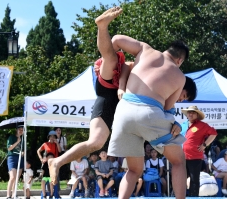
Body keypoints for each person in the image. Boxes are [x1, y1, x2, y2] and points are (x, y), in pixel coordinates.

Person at [47, 7, 186, 186]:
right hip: (111, 91)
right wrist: (120, 85)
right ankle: (102, 27)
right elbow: (125, 64)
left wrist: (173, 123)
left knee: (96, 142)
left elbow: (162, 111)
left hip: (125, 106)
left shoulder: (148, 63)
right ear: (179, 61)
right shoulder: (145, 59)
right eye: (183, 96)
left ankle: (57, 161)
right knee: (111, 59)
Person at [101, 7, 197, 199]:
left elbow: (117, 39)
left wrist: (115, 58)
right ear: (179, 60)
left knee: (134, 170)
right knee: (178, 161)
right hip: (150, 112)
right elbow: (167, 108)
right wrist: (175, 124)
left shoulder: (145, 50)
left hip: (123, 111)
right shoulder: (179, 77)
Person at [180, 105, 217, 196]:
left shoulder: (202, 125)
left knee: (194, 180)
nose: (190, 114)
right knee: (180, 179)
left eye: (193, 112)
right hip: (181, 156)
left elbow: (213, 133)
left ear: (197, 115)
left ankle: (194, 197)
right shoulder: (183, 124)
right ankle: (179, 196)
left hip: (195, 157)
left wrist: (204, 145)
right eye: (189, 112)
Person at [6, 125, 24, 199]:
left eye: (22, 130)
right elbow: (9, 148)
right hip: (12, 157)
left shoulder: (23, 139)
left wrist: (23, 153)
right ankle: (8, 195)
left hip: (20, 158)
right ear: (16, 130)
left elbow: (24, 150)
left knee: (17, 178)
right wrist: (17, 141)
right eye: (19, 129)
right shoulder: (11, 137)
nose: (21, 131)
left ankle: (14, 194)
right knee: (12, 177)